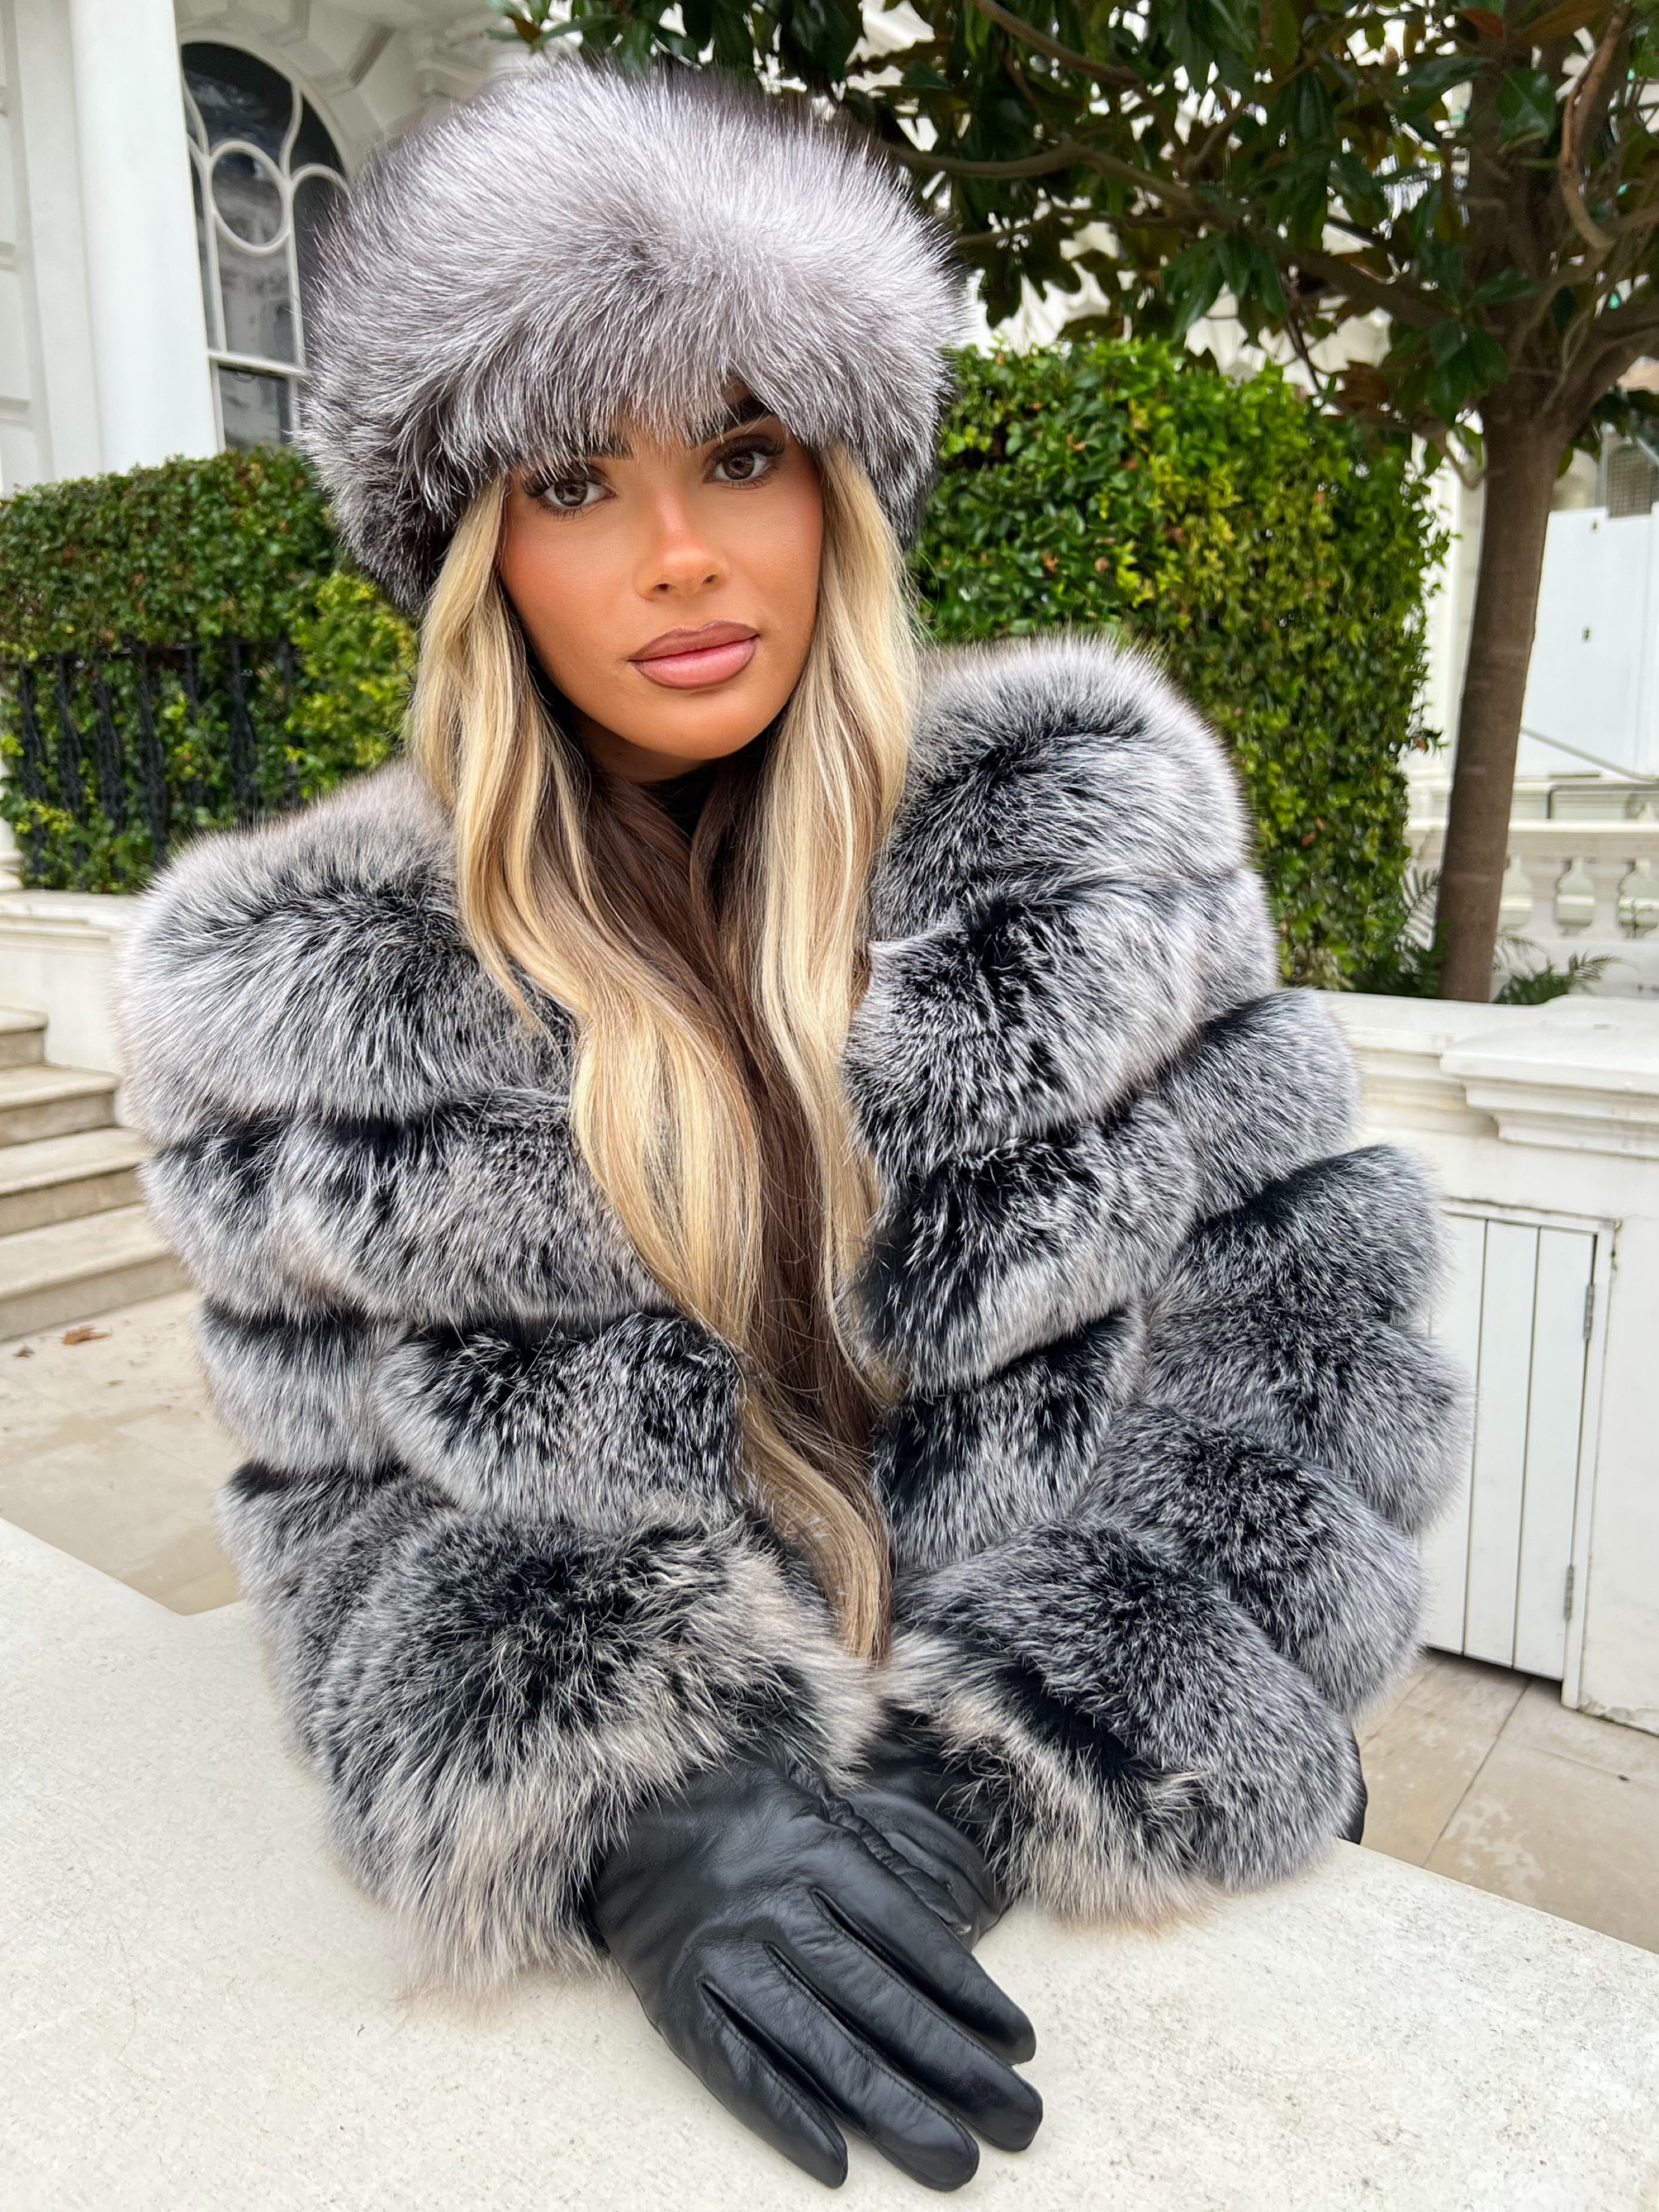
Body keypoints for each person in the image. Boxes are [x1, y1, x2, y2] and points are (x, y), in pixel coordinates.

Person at [118, 60, 1464, 2195]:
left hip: (1137, 1892)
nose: (679, 557)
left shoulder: (1091, 846)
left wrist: (1024, 1754)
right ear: (476, 553)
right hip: (679, 2023)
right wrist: (641, 1810)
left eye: (742, 452)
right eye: (576, 479)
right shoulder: (296, 1019)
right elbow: (341, 1525)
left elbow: (1309, 1355)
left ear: (838, 485)